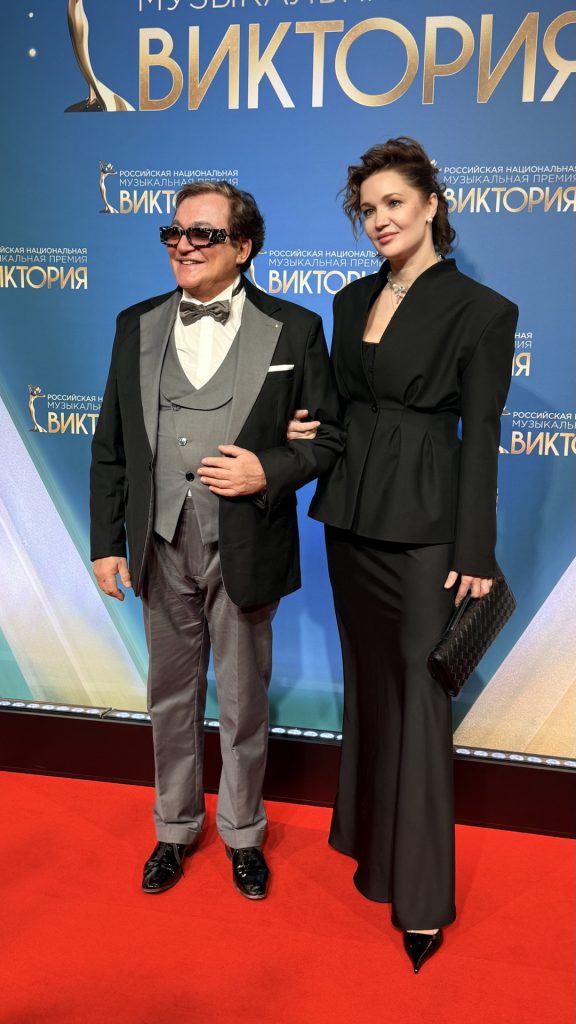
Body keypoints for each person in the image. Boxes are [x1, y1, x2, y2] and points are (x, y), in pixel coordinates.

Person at [90, 181, 343, 900]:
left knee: (242, 700)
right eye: (175, 233)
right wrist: (106, 541)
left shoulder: (295, 328)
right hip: (158, 540)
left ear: (244, 247)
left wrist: (269, 469)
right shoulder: (135, 323)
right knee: (169, 697)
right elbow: (110, 444)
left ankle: (242, 833)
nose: (184, 245)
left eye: (203, 234)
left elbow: (326, 438)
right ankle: (174, 827)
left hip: (247, 542)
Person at [299, 137, 517, 970]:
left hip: (426, 531)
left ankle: (422, 900)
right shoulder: (350, 299)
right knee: (371, 687)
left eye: (394, 203)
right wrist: (305, 428)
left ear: (432, 205)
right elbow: (339, 409)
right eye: (368, 209)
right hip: (351, 522)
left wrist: (476, 551)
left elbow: (481, 435)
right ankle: (374, 852)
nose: (379, 220)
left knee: (422, 702)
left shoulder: (482, 310)